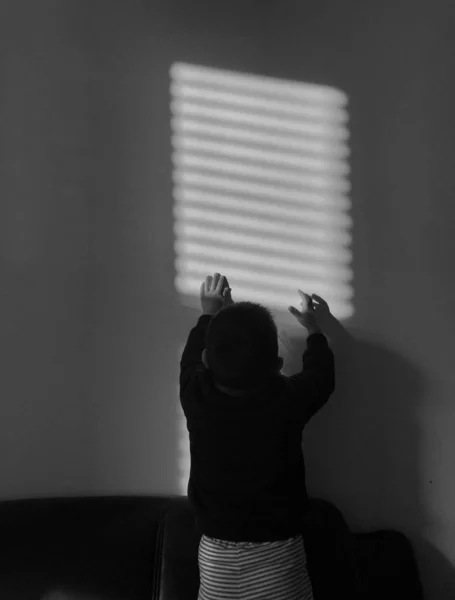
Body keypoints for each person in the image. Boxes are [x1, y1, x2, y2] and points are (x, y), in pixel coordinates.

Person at [180, 272, 335, 599]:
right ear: (278, 364)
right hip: (279, 557)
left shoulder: (197, 396)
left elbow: (191, 358)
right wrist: (314, 330)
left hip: (217, 559)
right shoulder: (287, 400)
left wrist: (210, 313)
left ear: (209, 360)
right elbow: (321, 378)